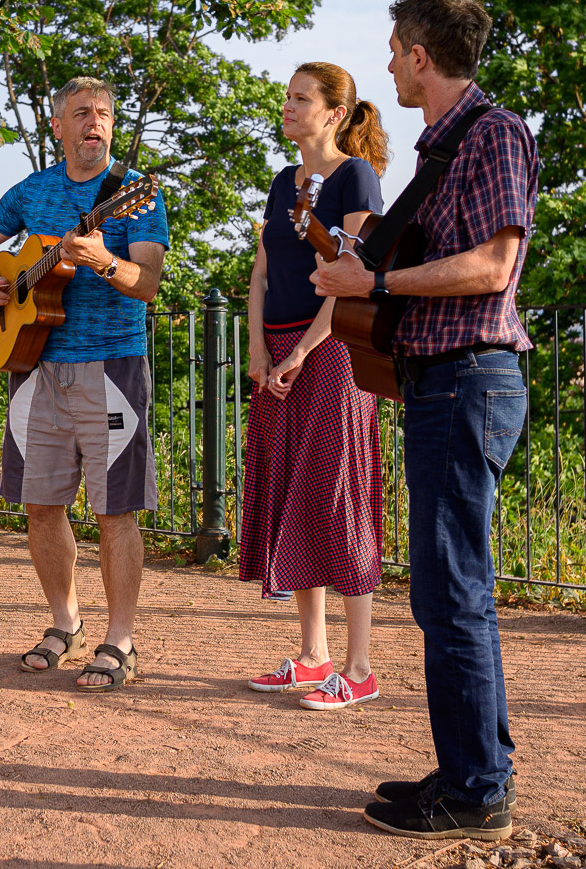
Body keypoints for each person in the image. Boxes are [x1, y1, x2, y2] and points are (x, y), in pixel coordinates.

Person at [313, 0, 538, 842]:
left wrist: (373, 278)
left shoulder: (493, 134)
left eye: (394, 48)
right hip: (443, 382)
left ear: (418, 54)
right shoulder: (444, 146)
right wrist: (379, 242)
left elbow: (489, 267)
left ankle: (479, 790)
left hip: (469, 379)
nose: (389, 66)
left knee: (454, 592)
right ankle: (468, 769)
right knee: (448, 590)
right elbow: (445, 253)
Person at [0, 76, 170, 691]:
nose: (94, 123)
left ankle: (121, 639)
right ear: (58, 126)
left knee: (115, 511)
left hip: (111, 367)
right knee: (41, 506)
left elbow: (149, 281)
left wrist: (104, 260)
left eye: (103, 113)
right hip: (33, 367)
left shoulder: (134, 194)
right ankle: (65, 623)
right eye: (81, 113)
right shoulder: (33, 190)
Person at [240, 61, 389, 711]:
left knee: (338, 495)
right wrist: (257, 349)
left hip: (332, 354)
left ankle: (359, 669)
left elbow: (353, 274)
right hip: (276, 352)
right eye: (287, 97)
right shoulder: (282, 182)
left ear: (334, 113)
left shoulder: (357, 176)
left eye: (302, 99)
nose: (289, 107)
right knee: (293, 494)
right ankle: (312, 657)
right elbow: (261, 272)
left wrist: (301, 350)